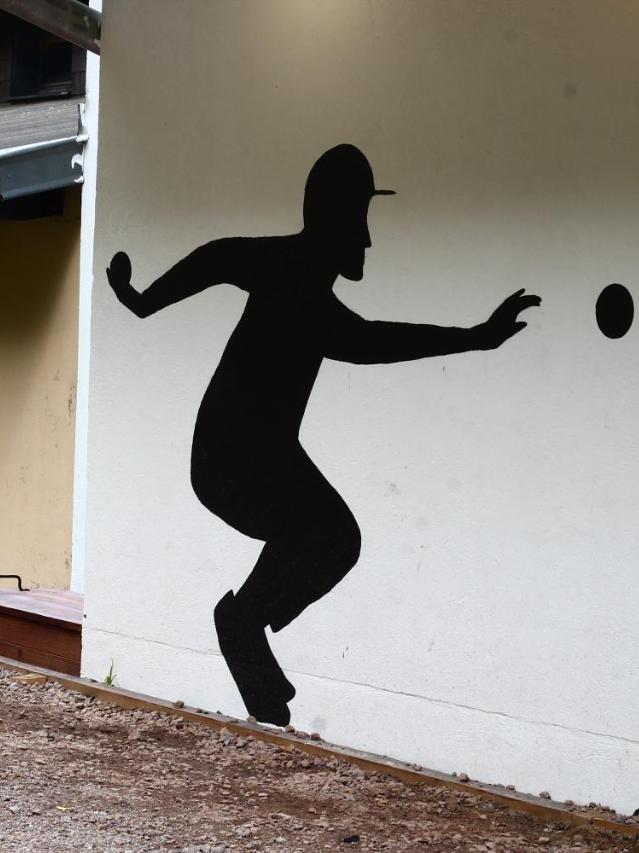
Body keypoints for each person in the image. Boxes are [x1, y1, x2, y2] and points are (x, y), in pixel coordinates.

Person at [106, 144, 541, 725]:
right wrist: (142, 300)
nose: (367, 241)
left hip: (260, 456)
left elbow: (367, 335)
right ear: (336, 220)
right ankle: (242, 622)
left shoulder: (308, 294)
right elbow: (219, 259)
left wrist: (474, 337)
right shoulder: (293, 282)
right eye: (360, 222)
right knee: (329, 535)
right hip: (232, 458)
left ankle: (245, 626)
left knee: (331, 537)